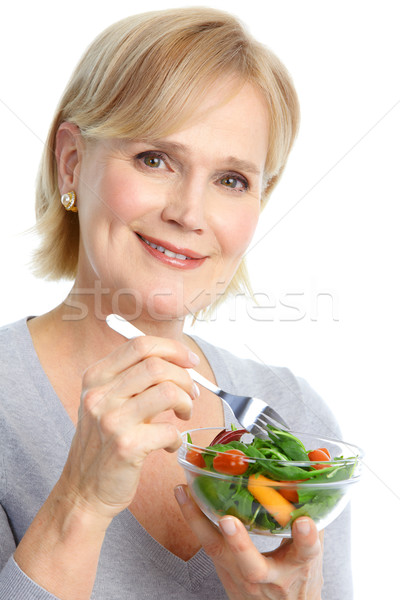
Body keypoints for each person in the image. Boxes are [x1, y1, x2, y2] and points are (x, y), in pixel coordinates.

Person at [0, 7, 352, 600]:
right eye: (155, 159)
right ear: (71, 160)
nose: (189, 213)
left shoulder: (296, 420)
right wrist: (80, 504)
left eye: (232, 180)